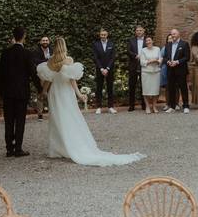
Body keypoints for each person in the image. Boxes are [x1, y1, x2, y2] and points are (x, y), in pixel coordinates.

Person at [36, 37, 144, 166]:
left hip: (54, 94)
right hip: (65, 93)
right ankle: (71, 146)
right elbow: (72, 80)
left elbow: (48, 80)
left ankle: (58, 149)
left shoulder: (50, 62)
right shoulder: (68, 60)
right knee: (70, 118)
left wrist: (43, 93)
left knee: (57, 119)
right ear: (64, 46)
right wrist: (80, 95)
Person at [0, 26, 35, 157]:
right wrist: (41, 89)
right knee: (20, 121)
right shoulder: (27, 53)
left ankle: (9, 148)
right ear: (24, 36)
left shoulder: (5, 53)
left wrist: (0, 92)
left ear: (13, 36)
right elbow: (33, 73)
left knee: (8, 121)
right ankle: (18, 148)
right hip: (21, 92)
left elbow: (0, 74)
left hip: (7, 92)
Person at [162, 28, 190, 113]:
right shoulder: (168, 45)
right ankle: (172, 106)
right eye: (171, 34)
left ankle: (185, 106)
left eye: (174, 34)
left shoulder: (184, 44)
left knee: (183, 88)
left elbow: (187, 57)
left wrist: (177, 62)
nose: (172, 36)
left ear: (178, 34)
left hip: (181, 70)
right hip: (170, 69)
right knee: (171, 88)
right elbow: (165, 57)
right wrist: (168, 62)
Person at [92, 29, 116, 114]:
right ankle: (98, 107)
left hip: (109, 69)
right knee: (99, 88)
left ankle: (110, 106)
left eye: (104, 35)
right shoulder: (96, 44)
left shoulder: (111, 44)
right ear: (100, 35)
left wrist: (108, 68)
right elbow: (95, 58)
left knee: (110, 88)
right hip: (100, 70)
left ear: (107, 35)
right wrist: (101, 68)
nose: (103, 36)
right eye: (101, 35)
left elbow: (113, 58)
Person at [138, 35, 162, 113]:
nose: (148, 42)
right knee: (146, 90)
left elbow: (160, 59)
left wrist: (157, 61)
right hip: (146, 73)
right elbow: (142, 62)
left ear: (152, 41)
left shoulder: (157, 49)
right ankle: (147, 106)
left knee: (155, 90)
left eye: (149, 40)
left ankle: (154, 106)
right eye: (147, 41)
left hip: (156, 72)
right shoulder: (143, 50)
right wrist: (150, 61)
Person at [30, 36, 52, 120]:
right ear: (40, 42)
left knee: (51, 93)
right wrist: (47, 61)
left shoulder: (52, 50)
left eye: (46, 40)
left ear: (49, 42)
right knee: (40, 93)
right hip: (41, 75)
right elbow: (35, 61)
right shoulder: (36, 51)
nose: (45, 42)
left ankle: (52, 112)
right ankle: (40, 114)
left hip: (51, 75)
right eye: (43, 40)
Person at [126, 26, 147, 111]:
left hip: (144, 66)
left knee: (144, 86)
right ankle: (131, 105)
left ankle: (144, 105)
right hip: (133, 66)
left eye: (140, 30)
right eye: (137, 30)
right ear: (135, 32)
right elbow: (128, 51)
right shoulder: (131, 40)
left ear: (143, 31)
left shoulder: (147, 40)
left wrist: (142, 56)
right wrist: (135, 55)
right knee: (132, 86)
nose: (138, 32)